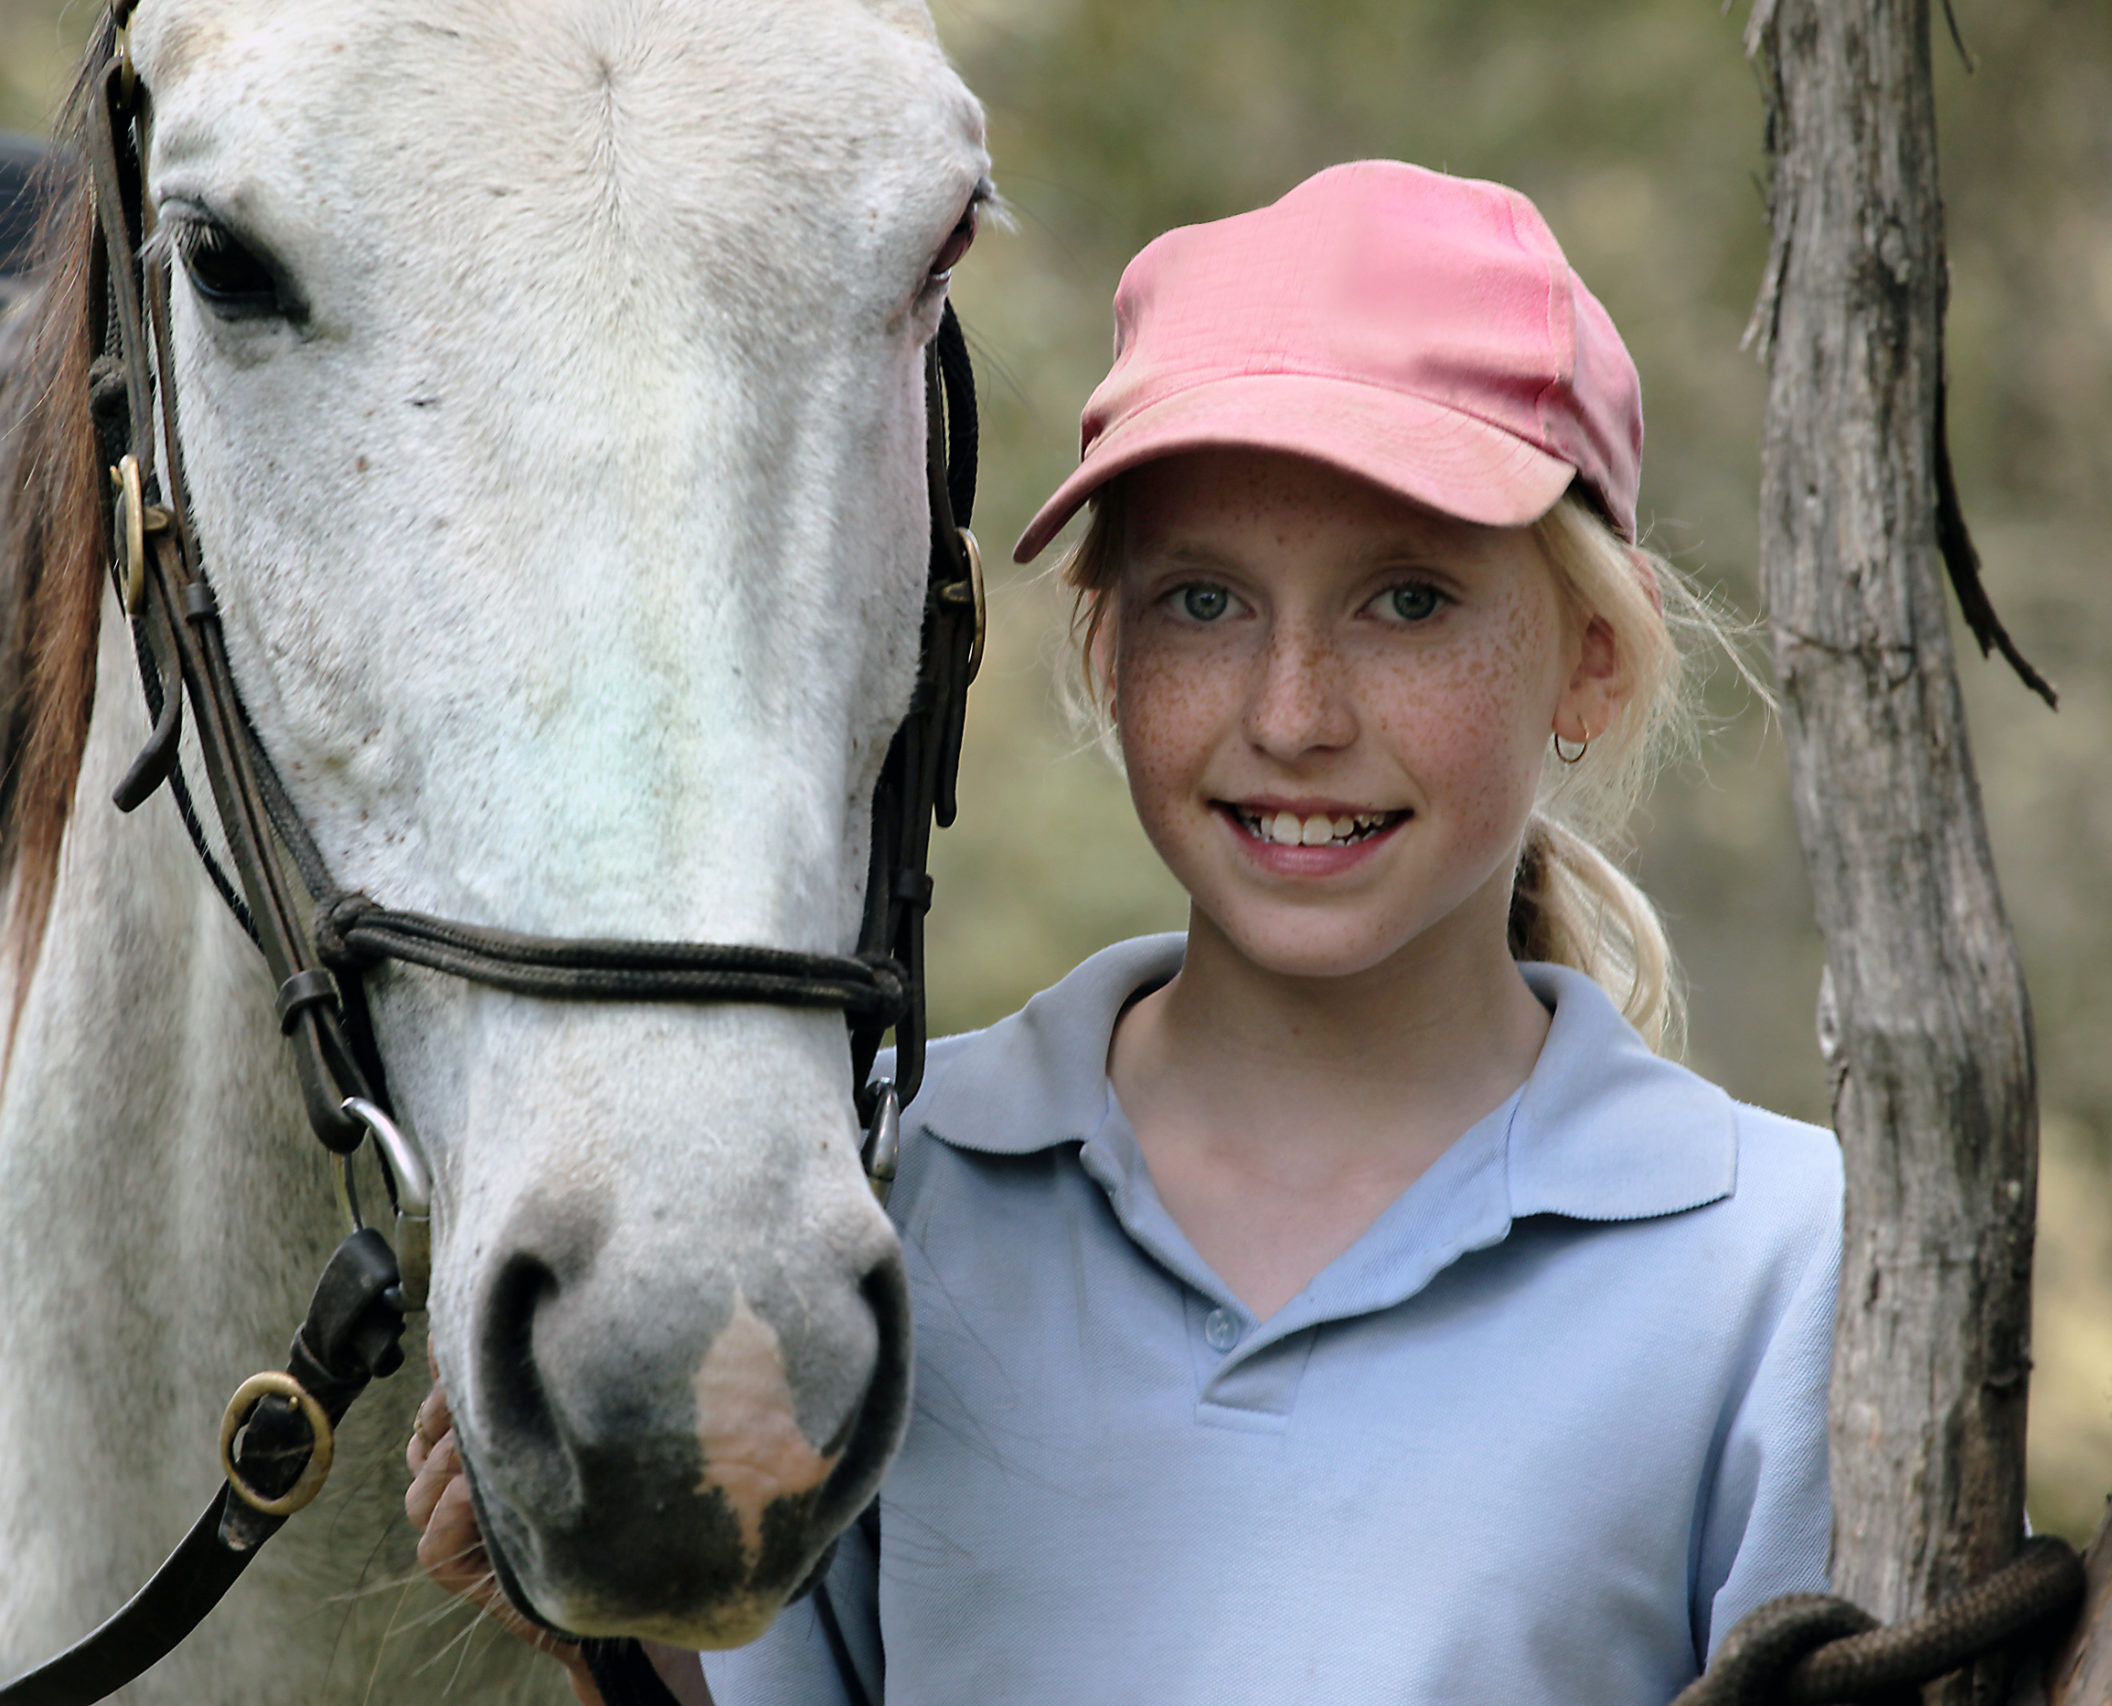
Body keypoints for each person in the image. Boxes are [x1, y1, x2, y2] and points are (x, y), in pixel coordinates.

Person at [407, 158, 1839, 1706]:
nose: (1293, 715)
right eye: (1204, 603)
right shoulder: (881, 1204)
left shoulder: (1784, 1264)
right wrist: (613, 1627)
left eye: (1408, 602)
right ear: (1107, 648)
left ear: (1594, 661)